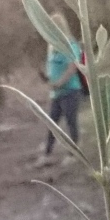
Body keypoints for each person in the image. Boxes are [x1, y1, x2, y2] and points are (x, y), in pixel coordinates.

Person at [42, 11, 85, 160]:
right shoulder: (51, 46)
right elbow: (51, 66)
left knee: (71, 122)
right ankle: (47, 153)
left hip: (70, 91)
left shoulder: (71, 44)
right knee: (51, 123)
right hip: (56, 93)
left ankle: (73, 155)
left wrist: (59, 82)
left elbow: (73, 67)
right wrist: (49, 80)